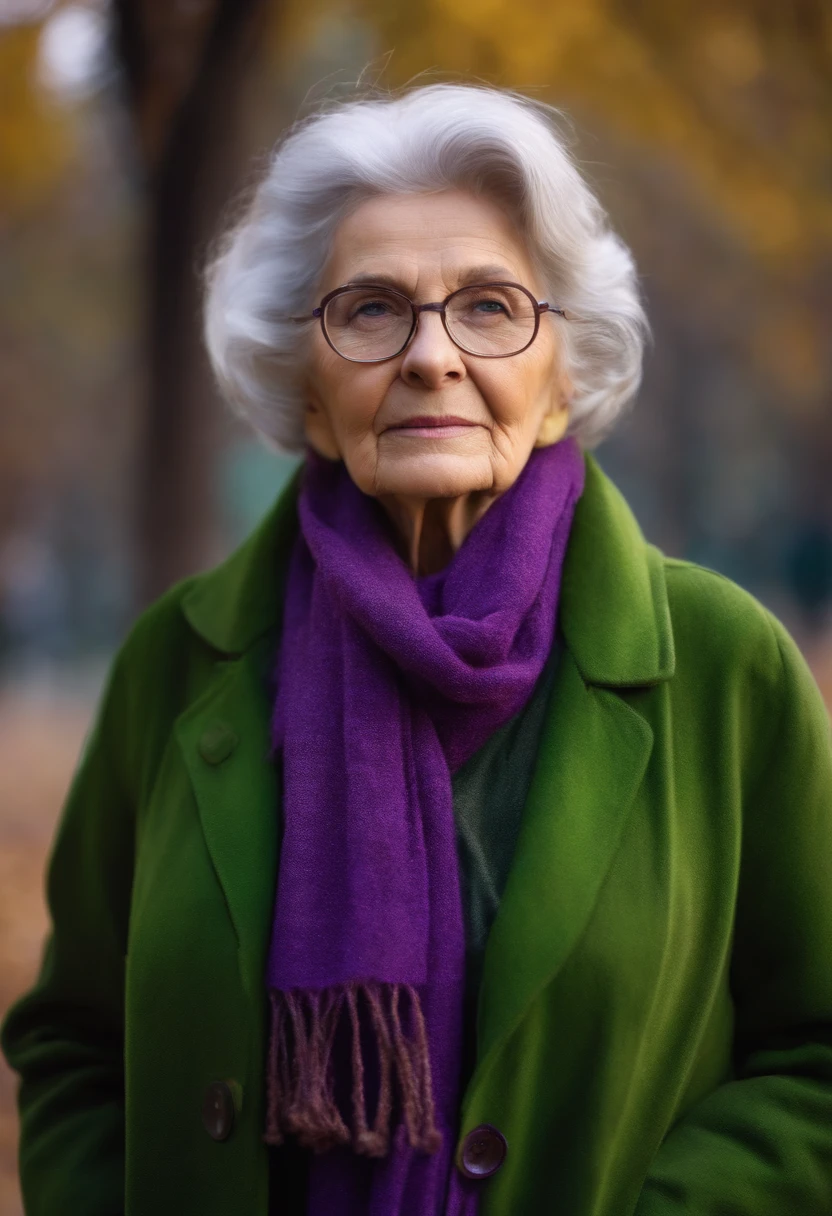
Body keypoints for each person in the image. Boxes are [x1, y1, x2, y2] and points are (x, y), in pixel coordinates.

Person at [3, 81, 832, 1216]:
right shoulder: (178, 663)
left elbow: (814, 1060)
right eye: (371, 309)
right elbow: (75, 1048)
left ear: (561, 377)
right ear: (304, 388)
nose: (431, 356)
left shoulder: (728, 665)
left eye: (490, 308)